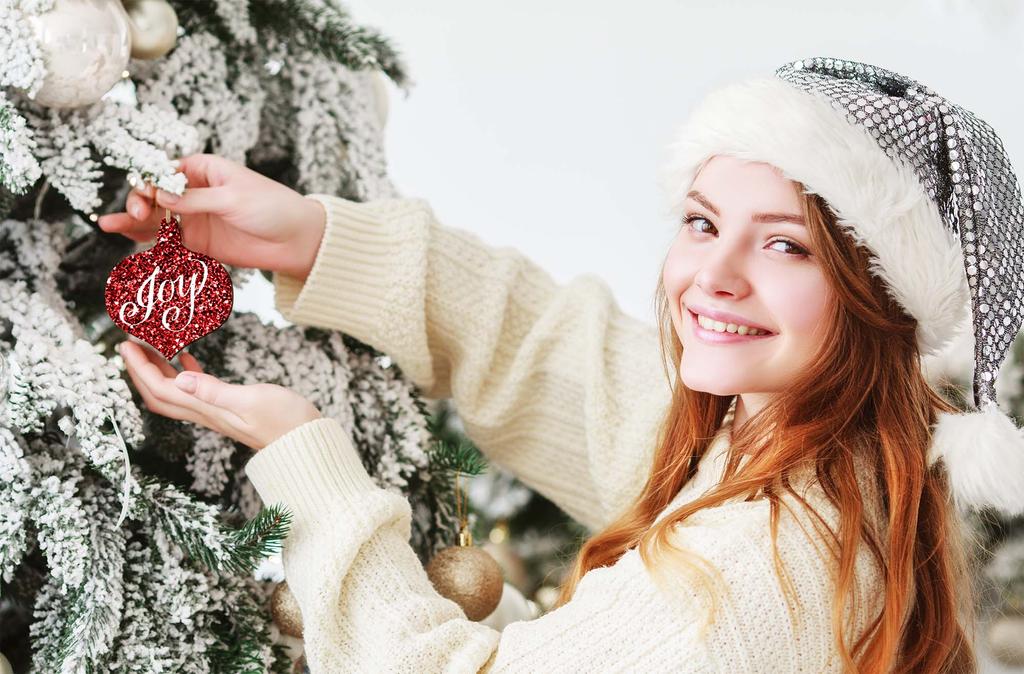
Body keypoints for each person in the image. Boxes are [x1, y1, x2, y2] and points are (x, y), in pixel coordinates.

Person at [97, 57, 1024, 673]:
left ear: (886, 297)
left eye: (786, 247)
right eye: (703, 223)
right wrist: (313, 237)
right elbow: (559, 362)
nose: (714, 277)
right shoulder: (814, 448)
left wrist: (306, 462)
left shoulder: (758, 569)